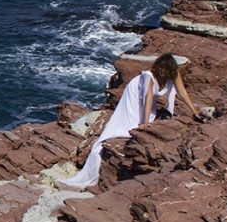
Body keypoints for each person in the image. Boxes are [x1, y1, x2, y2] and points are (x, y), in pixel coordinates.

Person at [59, 53, 199, 188]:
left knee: (146, 117)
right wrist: (145, 122)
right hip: (134, 94)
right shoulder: (148, 76)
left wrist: (195, 112)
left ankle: (142, 120)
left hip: (146, 98)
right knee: (129, 125)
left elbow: (183, 93)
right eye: (162, 71)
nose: (163, 74)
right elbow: (148, 98)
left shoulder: (173, 73)